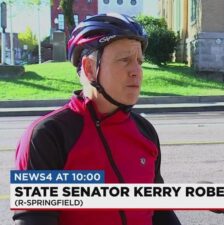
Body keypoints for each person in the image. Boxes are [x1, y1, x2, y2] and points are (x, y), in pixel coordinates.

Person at [13, 13, 181, 225]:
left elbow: (161, 213)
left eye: (139, 61)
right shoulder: (48, 136)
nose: (136, 72)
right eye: (125, 60)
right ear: (89, 68)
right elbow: (34, 220)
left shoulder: (144, 130)